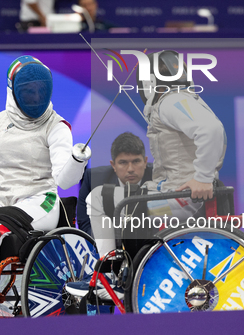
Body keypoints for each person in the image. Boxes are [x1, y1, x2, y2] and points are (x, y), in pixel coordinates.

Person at [66, 50, 227, 300]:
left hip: (177, 200)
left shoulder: (172, 101)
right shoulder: (186, 99)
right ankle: (120, 273)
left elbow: (211, 130)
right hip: (171, 194)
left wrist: (203, 177)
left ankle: (109, 277)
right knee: (122, 203)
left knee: (98, 198)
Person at [0, 55, 90, 312]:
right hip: (3, 203)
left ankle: (0, 308)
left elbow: (64, 179)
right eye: (28, 90)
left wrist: (76, 161)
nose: (35, 97)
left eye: (40, 90)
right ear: (13, 91)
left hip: (41, 201)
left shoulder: (56, 127)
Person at [77, 132, 152, 236]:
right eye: (123, 162)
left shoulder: (160, 177)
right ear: (113, 165)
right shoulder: (94, 180)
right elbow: (85, 226)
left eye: (136, 161)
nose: (130, 169)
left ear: (145, 162)